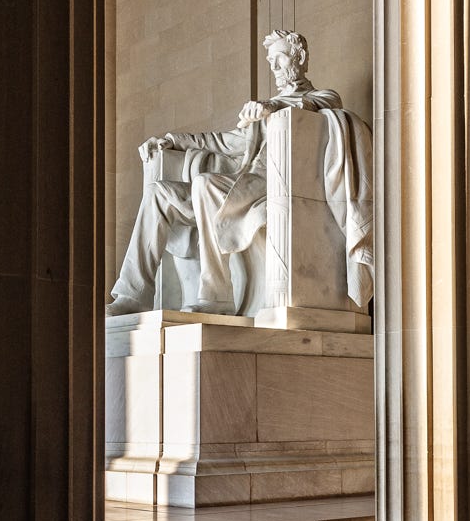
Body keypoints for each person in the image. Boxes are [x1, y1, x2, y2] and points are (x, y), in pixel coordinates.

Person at [106, 29, 372, 316]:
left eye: (279, 59)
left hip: (271, 185)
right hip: (238, 186)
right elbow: (222, 141)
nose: (273, 67)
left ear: (300, 58)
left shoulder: (317, 99)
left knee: (204, 185)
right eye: (270, 61)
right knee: (159, 192)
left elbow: (325, 102)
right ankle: (133, 293)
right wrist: (171, 140)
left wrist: (273, 106)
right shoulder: (262, 114)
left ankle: (216, 294)